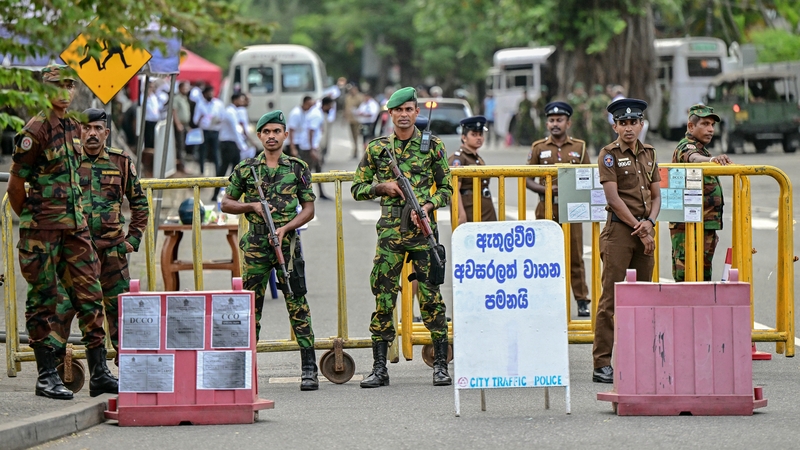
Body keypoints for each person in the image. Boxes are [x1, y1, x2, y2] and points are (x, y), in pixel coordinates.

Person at [6, 65, 117, 399]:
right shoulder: (35, 130)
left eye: (70, 85)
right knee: (43, 301)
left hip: (75, 229)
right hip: (42, 232)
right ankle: (46, 376)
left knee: (90, 296)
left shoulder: (73, 126)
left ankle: (100, 373)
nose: (65, 91)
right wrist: (35, 219)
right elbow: (15, 186)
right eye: (58, 85)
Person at [351, 87, 454, 388]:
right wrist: (382, 187)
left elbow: (446, 188)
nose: (404, 115)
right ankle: (379, 367)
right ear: (390, 114)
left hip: (423, 232)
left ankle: (440, 365)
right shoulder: (378, 149)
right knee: (384, 296)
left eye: (409, 109)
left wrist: (428, 206)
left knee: (431, 297)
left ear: (417, 112)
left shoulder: (432, 145)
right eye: (399, 110)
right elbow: (357, 188)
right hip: (390, 232)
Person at [220, 110, 319, 391]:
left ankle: (309, 368)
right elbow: (226, 203)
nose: (272, 136)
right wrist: (251, 206)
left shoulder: (298, 167)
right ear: (259, 135)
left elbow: (309, 209)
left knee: (297, 303)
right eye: (267, 132)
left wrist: (287, 228)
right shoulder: (246, 168)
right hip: (256, 245)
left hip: (287, 245)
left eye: (277, 131)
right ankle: (245, 370)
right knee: (250, 307)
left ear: (285, 135)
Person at [50, 108, 149, 366]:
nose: (92, 133)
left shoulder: (120, 162)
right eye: (86, 128)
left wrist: (133, 239)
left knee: (121, 312)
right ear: (78, 131)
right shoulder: (66, 161)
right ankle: (52, 366)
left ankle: (129, 368)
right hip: (76, 253)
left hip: (112, 252)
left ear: (106, 133)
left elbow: (140, 203)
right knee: (63, 308)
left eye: (97, 129)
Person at [592, 98, 661, 384]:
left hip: (645, 230)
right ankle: (601, 363)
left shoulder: (650, 153)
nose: (628, 128)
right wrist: (640, 228)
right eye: (623, 123)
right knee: (610, 299)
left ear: (642, 124)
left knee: (644, 298)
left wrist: (650, 223)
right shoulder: (608, 155)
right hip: (620, 232)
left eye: (633, 122)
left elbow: (656, 196)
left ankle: (641, 358)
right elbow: (613, 199)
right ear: (615, 126)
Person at [526, 102, 592, 317]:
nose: (555, 124)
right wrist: (547, 190)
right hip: (546, 207)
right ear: (547, 123)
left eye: (560, 120)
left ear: (568, 123)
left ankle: (581, 300)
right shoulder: (538, 148)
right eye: (552, 120)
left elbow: (589, 176)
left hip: (572, 209)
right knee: (544, 255)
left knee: (575, 255)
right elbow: (527, 179)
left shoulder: (580, 147)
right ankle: (544, 299)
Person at [669, 104, 732, 282]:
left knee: (703, 277)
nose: (710, 129)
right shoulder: (686, 146)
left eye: (712, 125)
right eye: (705, 124)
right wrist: (711, 160)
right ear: (691, 126)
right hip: (688, 227)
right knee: (687, 278)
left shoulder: (701, 148)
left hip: (703, 225)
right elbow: (692, 158)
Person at [449, 115, 497, 224]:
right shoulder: (459, 158)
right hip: (470, 211)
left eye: (480, 134)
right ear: (464, 137)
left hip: (485, 211)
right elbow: (454, 189)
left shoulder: (476, 157)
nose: (479, 138)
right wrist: (461, 214)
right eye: (474, 135)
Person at [211, 93, 248, 202]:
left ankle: (231, 194)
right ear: (235, 100)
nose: (242, 102)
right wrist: (243, 146)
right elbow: (235, 130)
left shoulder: (234, 112)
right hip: (228, 144)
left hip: (231, 143)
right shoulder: (230, 112)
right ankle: (217, 194)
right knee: (224, 169)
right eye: (240, 100)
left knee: (235, 169)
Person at [304, 97, 335, 199]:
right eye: (330, 106)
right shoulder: (317, 115)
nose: (331, 108)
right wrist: (312, 150)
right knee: (306, 172)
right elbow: (311, 131)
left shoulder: (318, 113)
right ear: (326, 105)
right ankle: (302, 194)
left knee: (318, 170)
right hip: (311, 148)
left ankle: (321, 193)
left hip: (314, 147)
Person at [192, 85, 225, 176]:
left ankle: (218, 172)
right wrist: (201, 117)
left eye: (211, 92)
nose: (210, 94)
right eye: (208, 93)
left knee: (215, 152)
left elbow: (223, 117)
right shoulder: (200, 104)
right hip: (204, 131)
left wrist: (217, 120)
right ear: (204, 94)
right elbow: (195, 120)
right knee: (203, 152)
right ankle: (202, 171)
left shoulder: (218, 104)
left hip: (215, 130)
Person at [587, 84, 611, 155]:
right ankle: (605, 149)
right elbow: (609, 108)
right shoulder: (606, 99)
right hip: (603, 118)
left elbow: (589, 109)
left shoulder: (592, 99)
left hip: (595, 119)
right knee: (604, 133)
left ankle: (597, 151)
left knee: (595, 134)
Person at [344, 84, 364, 159]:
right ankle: (355, 150)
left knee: (357, 135)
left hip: (357, 120)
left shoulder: (360, 97)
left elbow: (362, 107)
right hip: (350, 119)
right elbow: (346, 107)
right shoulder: (348, 97)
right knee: (352, 136)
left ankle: (358, 151)